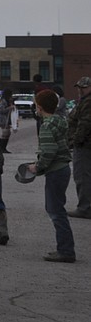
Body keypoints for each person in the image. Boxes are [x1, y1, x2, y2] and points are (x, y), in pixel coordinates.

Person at [27, 89, 76, 262]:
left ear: (39, 107)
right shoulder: (60, 121)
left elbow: (48, 151)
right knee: (57, 209)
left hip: (55, 171)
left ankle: (66, 251)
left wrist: (36, 167)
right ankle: (65, 248)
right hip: (63, 169)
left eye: (36, 105)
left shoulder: (46, 126)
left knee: (55, 211)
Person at [67, 76, 91, 219]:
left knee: (82, 176)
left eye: (84, 87)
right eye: (79, 87)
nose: (80, 90)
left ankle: (85, 208)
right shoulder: (84, 101)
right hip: (85, 144)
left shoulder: (88, 102)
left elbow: (85, 124)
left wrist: (74, 141)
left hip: (84, 145)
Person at [0, 88, 15, 154]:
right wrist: (9, 108)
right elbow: (1, 110)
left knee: (7, 133)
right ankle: (1, 148)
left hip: (7, 118)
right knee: (5, 132)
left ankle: (3, 147)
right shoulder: (3, 101)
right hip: (2, 118)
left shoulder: (8, 101)